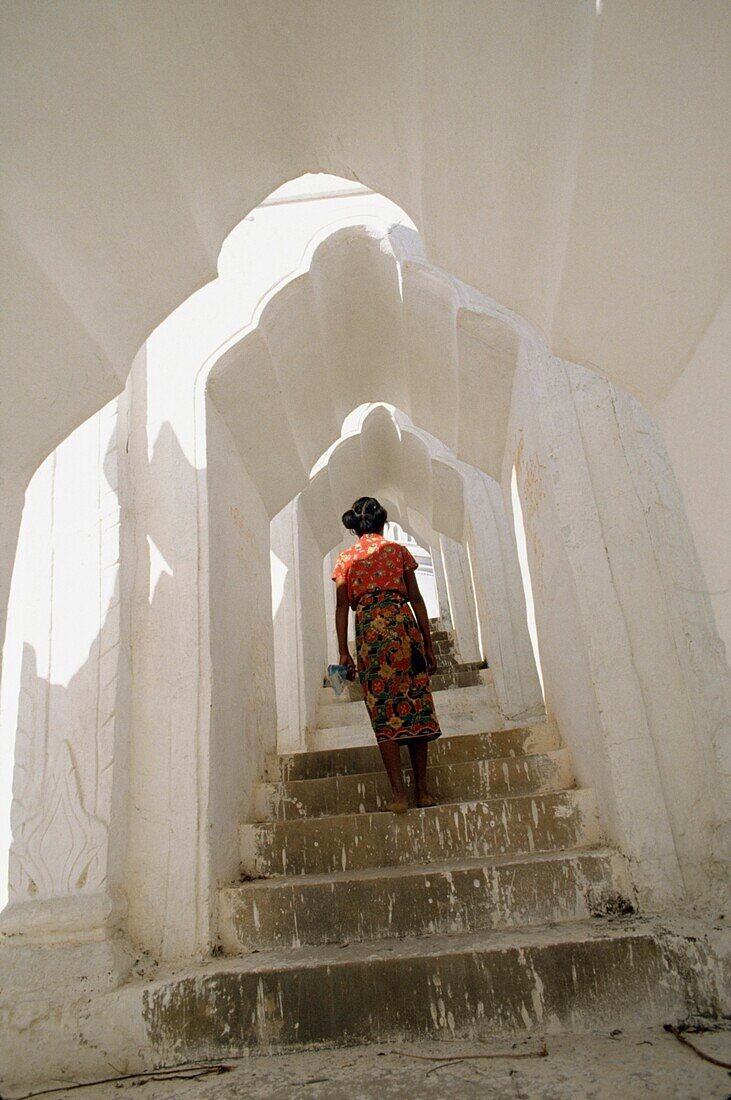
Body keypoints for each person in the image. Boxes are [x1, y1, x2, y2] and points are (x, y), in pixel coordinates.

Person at [332, 497, 442, 813]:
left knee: (383, 710)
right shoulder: (398, 552)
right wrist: (428, 643)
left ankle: (398, 795)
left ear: (356, 528)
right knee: (416, 704)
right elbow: (417, 600)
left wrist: (344, 652)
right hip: (403, 629)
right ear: (383, 522)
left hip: (370, 638)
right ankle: (422, 790)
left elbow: (341, 606)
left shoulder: (345, 559)